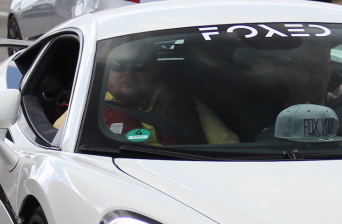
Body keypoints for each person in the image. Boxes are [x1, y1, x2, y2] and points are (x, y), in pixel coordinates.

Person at [99, 41, 238, 146]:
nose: (129, 72)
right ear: (106, 72)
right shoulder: (89, 106)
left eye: (139, 65)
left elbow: (228, 145)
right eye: (118, 65)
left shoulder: (184, 103)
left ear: (155, 70)